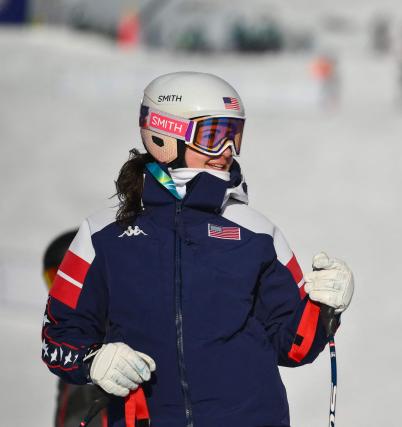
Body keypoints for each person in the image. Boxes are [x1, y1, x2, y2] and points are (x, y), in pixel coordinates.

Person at [41, 71, 355, 426]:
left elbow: (294, 345)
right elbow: (58, 337)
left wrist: (325, 306)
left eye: (234, 137)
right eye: (213, 136)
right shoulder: (102, 236)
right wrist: (93, 360)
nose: (226, 152)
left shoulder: (256, 233)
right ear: (163, 135)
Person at [43, 230, 107, 427]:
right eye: (53, 280)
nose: (60, 291)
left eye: (67, 279)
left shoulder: (111, 334)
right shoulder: (68, 340)